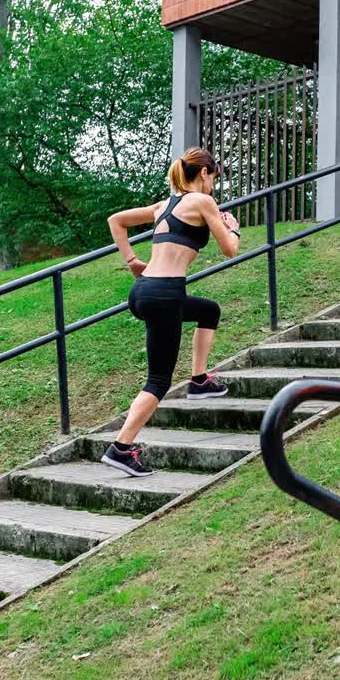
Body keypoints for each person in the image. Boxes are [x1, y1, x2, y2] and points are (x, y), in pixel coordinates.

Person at [101, 147, 241, 477]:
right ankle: (121, 448)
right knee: (158, 380)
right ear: (204, 173)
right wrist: (232, 226)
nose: (213, 187)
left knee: (208, 311)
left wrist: (132, 261)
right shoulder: (202, 201)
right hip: (165, 294)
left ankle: (199, 379)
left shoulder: (163, 206)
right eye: (213, 178)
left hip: (144, 290)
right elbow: (229, 249)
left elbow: (116, 221)